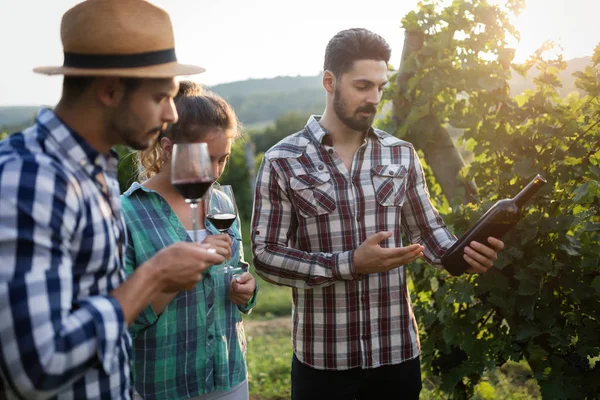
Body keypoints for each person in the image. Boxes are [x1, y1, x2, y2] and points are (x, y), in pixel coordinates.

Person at [250, 28, 505, 400]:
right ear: (329, 81)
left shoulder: (400, 154)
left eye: (380, 87)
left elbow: (429, 233)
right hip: (325, 361)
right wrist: (349, 263)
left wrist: (463, 256)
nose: (373, 98)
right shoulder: (282, 161)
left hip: (397, 355)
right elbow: (266, 255)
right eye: (362, 86)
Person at [0, 1, 228, 399]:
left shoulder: (95, 168)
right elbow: (37, 369)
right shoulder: (30, 178)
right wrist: (154, 276)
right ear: (110, 90)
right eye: (161, 97)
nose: (172, 113)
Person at [121, 81, 258, 400]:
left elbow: (236, 272)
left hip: (229, 379)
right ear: (168, 148)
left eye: (221, 158)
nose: (214, 172)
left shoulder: (222, 204)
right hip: (163, 387)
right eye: (204, 158)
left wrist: (246, 290)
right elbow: (120, 323)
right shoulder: (126, 214)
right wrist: (171, 279)